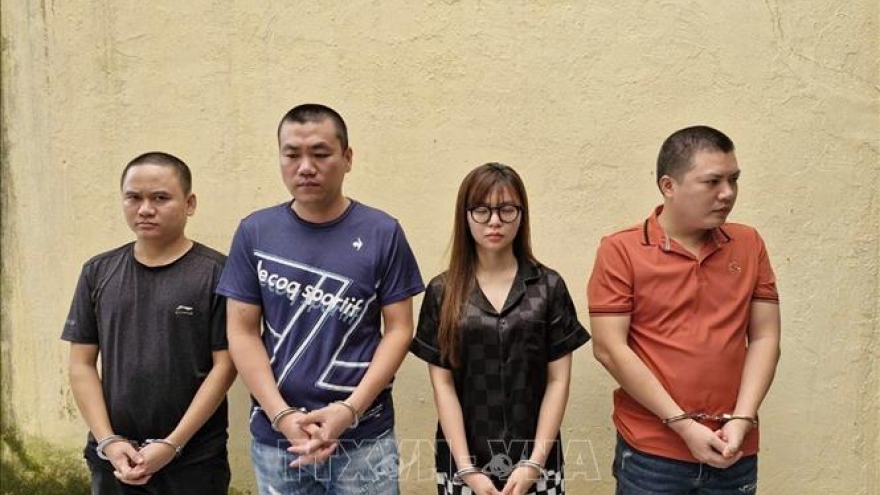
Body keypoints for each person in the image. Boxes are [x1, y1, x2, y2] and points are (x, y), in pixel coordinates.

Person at [217, 103, 424, 495]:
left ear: (347, 158)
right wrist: (282, 416)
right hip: (278, 440)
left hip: (364, 438)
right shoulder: (255, 232)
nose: (306, 167)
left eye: (320, 153)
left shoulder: (382, 232)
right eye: (292, 155)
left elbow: (399, 330)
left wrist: (350, 410)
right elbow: (242, 332)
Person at [587, 125, 781, 494]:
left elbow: (765, 337)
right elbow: (609, 349)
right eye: (712, 182)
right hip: (652, 453)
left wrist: (742, 420)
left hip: (734, 446)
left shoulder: (748, 243)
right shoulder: (621, 250)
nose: (727, 193)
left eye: (734, 179)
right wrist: (684, 426)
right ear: (668, 186)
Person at [62, 152, 236, 494]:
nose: (145, 209)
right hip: (114, 457)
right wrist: (109, 441)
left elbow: (226, 366)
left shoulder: (218, 274)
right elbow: (81, 364)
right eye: (134, 198)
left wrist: (172, 444)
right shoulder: (98, 272)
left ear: (189, 203)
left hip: (194, 458)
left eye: (160, 198)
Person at [411, 163, 590, 495]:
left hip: (536, 463)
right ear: (465, 215)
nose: (494, 221)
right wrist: (467, 469)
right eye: (481, 210)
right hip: (464, 465)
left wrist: (534, 463)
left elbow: (558, 381)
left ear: (521, 214)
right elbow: (443, 386)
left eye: (506, 209)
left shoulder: (548, 287)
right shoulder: (442, 292)